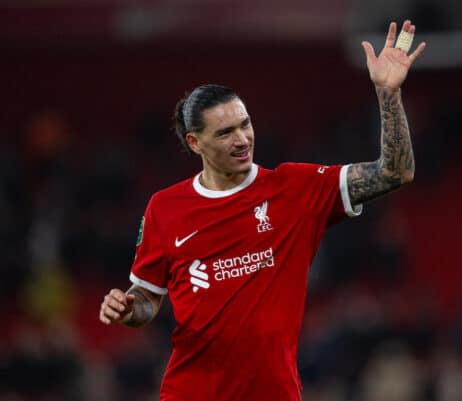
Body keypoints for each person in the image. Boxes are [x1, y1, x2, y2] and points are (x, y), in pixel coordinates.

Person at [99, 20, 426, 401]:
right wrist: (126, 307)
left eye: (245, 125)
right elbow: (147, 300)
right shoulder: (165, 208)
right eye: (224, 133)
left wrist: (388, 94)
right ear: (195, 143)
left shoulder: (295, 189)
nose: (242, 140)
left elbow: (395, 172)